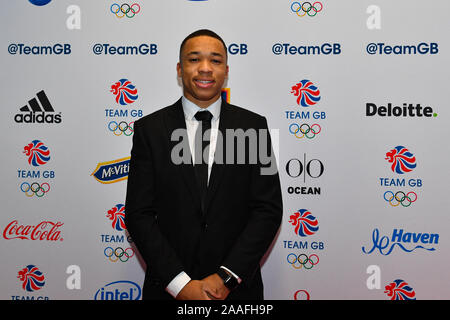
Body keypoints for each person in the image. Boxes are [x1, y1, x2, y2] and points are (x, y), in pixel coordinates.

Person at [125, 29, 282, 300]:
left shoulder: (254, 127)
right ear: (179, 68)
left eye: (216, 61)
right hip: (168, 290)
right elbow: (139, 214)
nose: (205, 69)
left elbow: (268, 210)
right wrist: (179, 284)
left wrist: (226, 278)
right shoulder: (150, 130)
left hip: (237, 292)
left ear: (226, 70)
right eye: (194, 59)